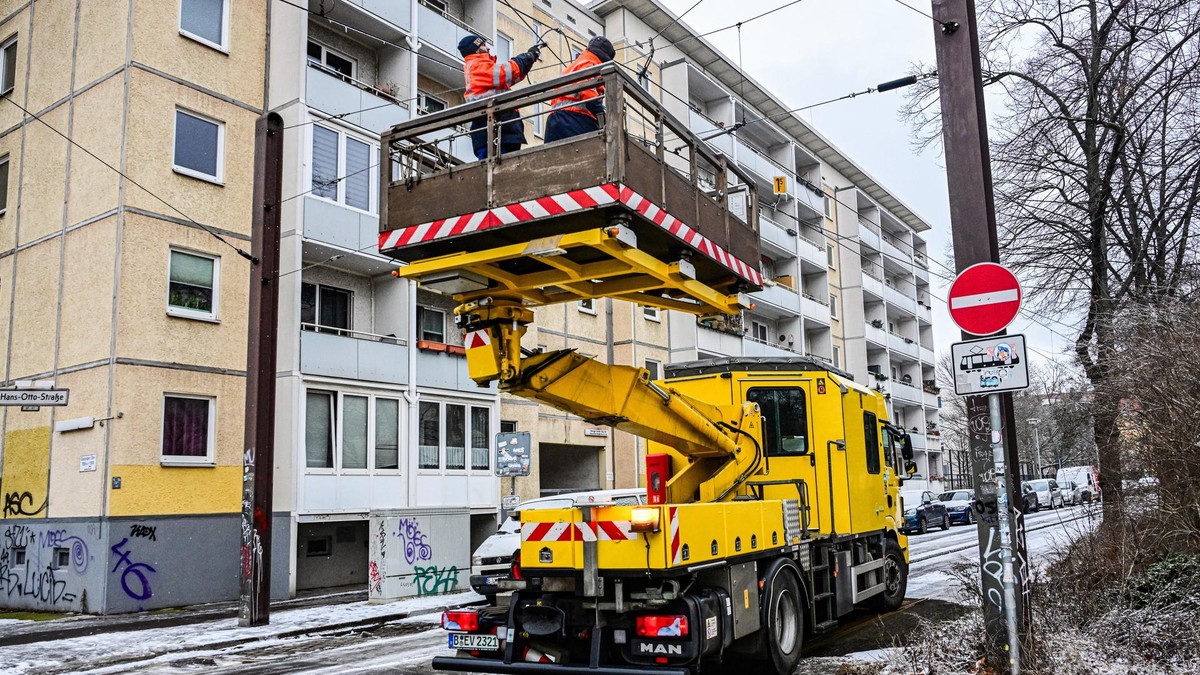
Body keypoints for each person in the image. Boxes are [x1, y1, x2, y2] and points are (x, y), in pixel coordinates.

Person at [459, 34, 542, 159]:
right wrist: (528, 57)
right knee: (499, 165)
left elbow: (513, 75)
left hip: (501, 129)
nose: (488, 48)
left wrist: (528, 60)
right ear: (476, 50)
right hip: (496, 129)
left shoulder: (480, 67)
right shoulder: (477, 66)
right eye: (483, 45)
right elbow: (508, 72)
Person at [544, 36, 615, 143]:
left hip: (554, 122)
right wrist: (604, 117)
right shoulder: (591, 65)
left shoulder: (576, 64)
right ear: (605, 59)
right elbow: (588, 95)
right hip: (576, 120)